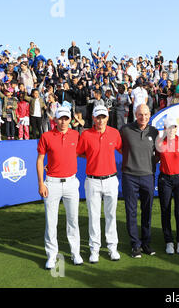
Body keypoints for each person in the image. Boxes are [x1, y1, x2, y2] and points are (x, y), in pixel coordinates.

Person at [36, 107, 83, 269]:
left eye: (66, 118)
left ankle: (75, 253)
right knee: (51, 222)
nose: (63, 122)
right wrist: (41, 183)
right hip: (52, 183)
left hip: (71, 182)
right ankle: (51, 255)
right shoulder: (46, 136)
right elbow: (40, 159)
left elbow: (80, 152)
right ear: (55, 120)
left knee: (73, 221)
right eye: (60, 119)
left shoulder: (75, 135)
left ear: (70, 120)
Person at [76, 105, 122, 263]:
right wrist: (91, 157)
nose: (100, 120)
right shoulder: (86, 134)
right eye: (98, 117)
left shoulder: (115, 133)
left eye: (103, 117)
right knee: (94, 216)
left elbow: (122, 149)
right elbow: (79, 152)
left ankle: (112, 247)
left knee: (111, 215)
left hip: (111, 180)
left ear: (107, 117)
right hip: (92, 181)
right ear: (93, 118)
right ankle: (94, 249)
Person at [120, 104, 159, 258]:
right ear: (135, 115)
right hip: (129, 176)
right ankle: (135, 245)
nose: (143, 117)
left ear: (150, 115)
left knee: (147, 211)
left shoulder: (154, 132)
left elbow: (158, 153)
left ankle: (146, 243)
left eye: (146, 114)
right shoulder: (125, 130)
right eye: (140, 114)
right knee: (131, 211)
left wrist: (149, 164)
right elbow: (118, 147)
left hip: (148, 176)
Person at [156, 117, 179, 255]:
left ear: (176, 129)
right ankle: (169, 241)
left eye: (173, 127)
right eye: (169, 127)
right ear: (165, 129)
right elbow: (155, 158)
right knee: (166, 211)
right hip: (165, 180)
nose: (171, 130)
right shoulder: (160, 143)